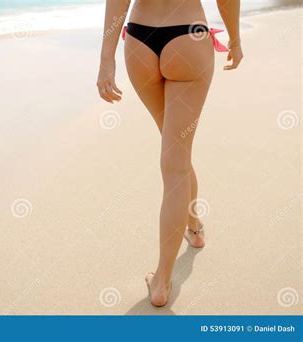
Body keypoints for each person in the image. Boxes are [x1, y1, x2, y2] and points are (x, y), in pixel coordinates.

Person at [97, 0, 243, 307]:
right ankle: (162, 279)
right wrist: (235, 39)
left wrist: (106, 58)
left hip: (140, 40)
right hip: (189, 37)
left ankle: (194, 225)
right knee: (176, 160)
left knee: (174, 152)